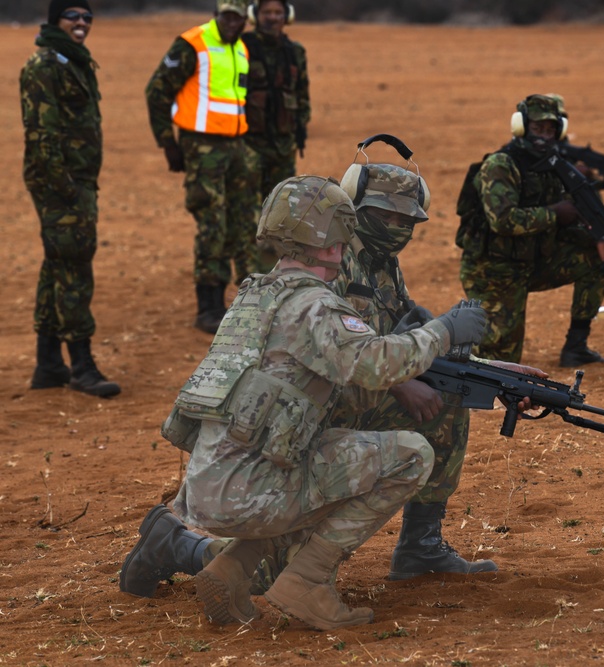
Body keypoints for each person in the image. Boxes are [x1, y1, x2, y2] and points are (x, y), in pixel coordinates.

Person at [120, 158, 534, 602]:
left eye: (404, 219)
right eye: (382, 216)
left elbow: (393, 336)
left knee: (447, 397)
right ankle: (180, 546)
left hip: (280, 429)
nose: (395, 226)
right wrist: (432, 348)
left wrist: (498, 375)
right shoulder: (322, 280)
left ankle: (421, 546)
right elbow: (363, 356)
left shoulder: (319, 275)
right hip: (292, 434)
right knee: (269, 576)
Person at [455, 94, 604, 367]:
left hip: (531, 262)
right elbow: (503, 220)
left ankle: (576, 347)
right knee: (500, 362)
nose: (543, 136)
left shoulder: (553, 165)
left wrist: (600, 233)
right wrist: (555, 213)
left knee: (594, 259)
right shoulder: (501, 165)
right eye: (537, 129)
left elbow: (578, 204)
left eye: (550, 130)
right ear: (521, 127)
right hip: (494, 271)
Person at [20, 0, 120, 398]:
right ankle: (81, 366)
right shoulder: (45, 65)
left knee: (57, 265)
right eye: (73, 16)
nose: (82, 23)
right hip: (60, 186)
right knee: (75, 268)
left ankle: (48, 364)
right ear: (55, 20)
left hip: (74, 183)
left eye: (87, 17)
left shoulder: (74, 60)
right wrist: (66, 190)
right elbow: (41, 136)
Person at [145, 0, 257, 334]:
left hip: (236, 147)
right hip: (202, 147)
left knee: (243, 223)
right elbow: (156, 91)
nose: (233, 23)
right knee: (213, 223)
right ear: (217, 14)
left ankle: (243, 302)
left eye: (239, 18)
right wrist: (168, 143)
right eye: (227, 16)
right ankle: (208, 307)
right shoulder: (193, 43)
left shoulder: (240, 48)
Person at [241, 0, 309, 202]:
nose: (272, 17)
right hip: (249, 146)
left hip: (283, 148)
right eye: (267, 12)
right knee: (246, 210)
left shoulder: (295, 52)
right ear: (255, 15)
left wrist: (299, 130)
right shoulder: (241, 48)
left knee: (281, 208)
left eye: (278, 12)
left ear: (287, 16)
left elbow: (302, 95)